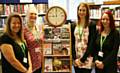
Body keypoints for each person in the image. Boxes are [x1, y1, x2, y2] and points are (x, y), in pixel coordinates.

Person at [72, 3, 97, 73]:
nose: (81, 12)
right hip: (76, 58)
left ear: (87, 12)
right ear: (77, 11)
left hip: (87, 58)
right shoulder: (73, 24)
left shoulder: (92, 24)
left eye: (84, 10)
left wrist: (82, 59)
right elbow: (73, 42)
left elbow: (92, 43)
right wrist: (75, 58)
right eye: (80, 10)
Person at [23, 5, 44, 73]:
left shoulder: (39, 28)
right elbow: (23, 49)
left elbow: (41, 42)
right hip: (30, 61)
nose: (33, 16)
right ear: (27, 15)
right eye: (31, 14)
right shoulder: (23, 30)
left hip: (40, 60)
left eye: (35, 14)